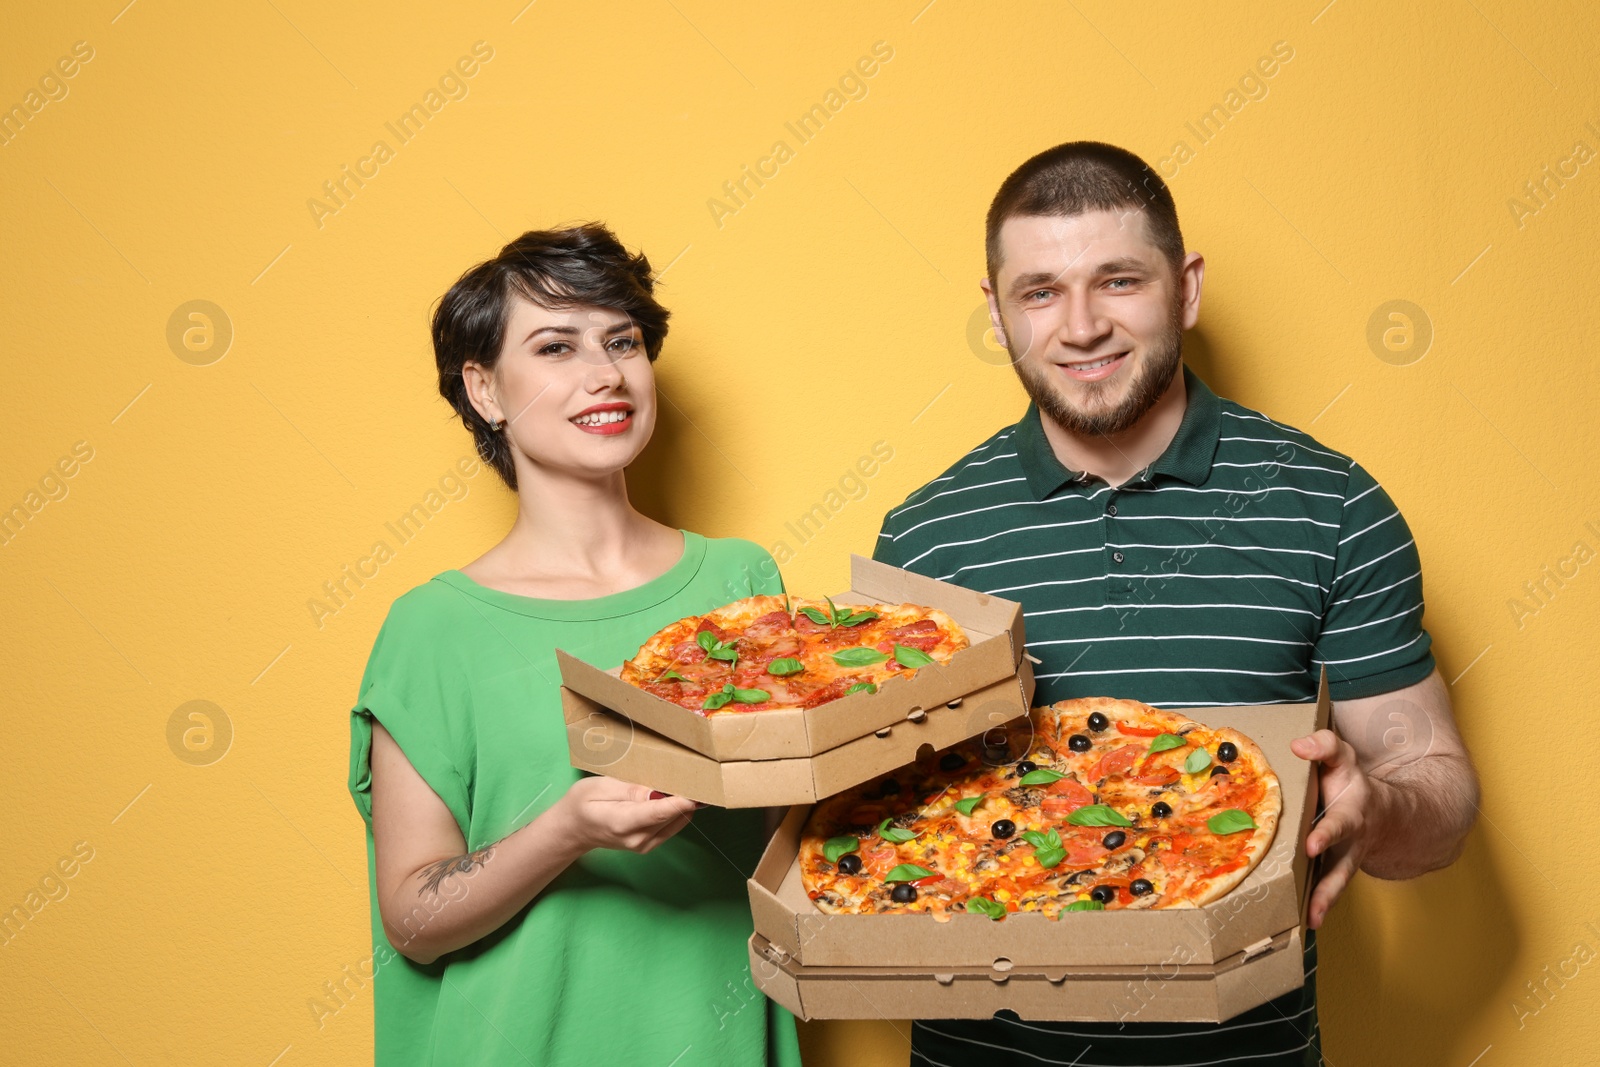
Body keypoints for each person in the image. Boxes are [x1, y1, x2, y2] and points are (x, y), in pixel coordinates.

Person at [871, 142, 1481, 1066]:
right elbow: (885, 826)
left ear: (1186, 288)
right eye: (1039, 292)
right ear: (995, 314)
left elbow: (1438, 793)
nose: (1080, 327)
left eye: (1118, 280)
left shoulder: (1333, 504)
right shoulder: (926, 536)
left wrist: (1376, 807)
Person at [345, 224, 802, 1067]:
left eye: (621, 341)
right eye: (556, 346)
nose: (606, 374)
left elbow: (799, 839)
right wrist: (566, 829)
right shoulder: (433, 628)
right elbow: (410, 919)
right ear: (483, 389)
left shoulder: (739, 582)